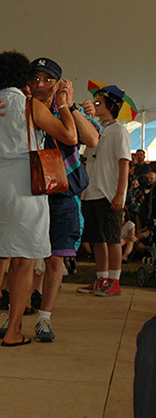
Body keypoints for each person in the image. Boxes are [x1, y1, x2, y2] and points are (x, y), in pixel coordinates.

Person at [0, 51, 77, 347]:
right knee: (26, 261)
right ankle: (14, 331)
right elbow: (69, 136)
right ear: (22, 77)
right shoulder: (30, 106)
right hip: (25, 190)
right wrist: (64, 105)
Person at [25, 57, 99, 343]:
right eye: (35, 79)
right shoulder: (24, 107)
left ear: (59, 84)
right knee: (25, 257)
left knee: (56, 259)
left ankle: (45, 319)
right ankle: (17, 313)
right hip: (30, 193)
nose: (40, 85)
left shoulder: (70, 109)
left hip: (62, 193)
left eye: (47, 80)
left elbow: (91, 139)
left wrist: (70, 105)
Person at [77, 85, 131, 297]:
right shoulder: (96, 129)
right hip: (91, 191)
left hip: (108, 193)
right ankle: (101, 278)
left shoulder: (119, 131)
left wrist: (120, 193)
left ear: (111, 106)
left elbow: (124, 163)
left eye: (99, 103)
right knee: (97, 238)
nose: (94, 105)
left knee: (112, 238)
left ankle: (115, 281)